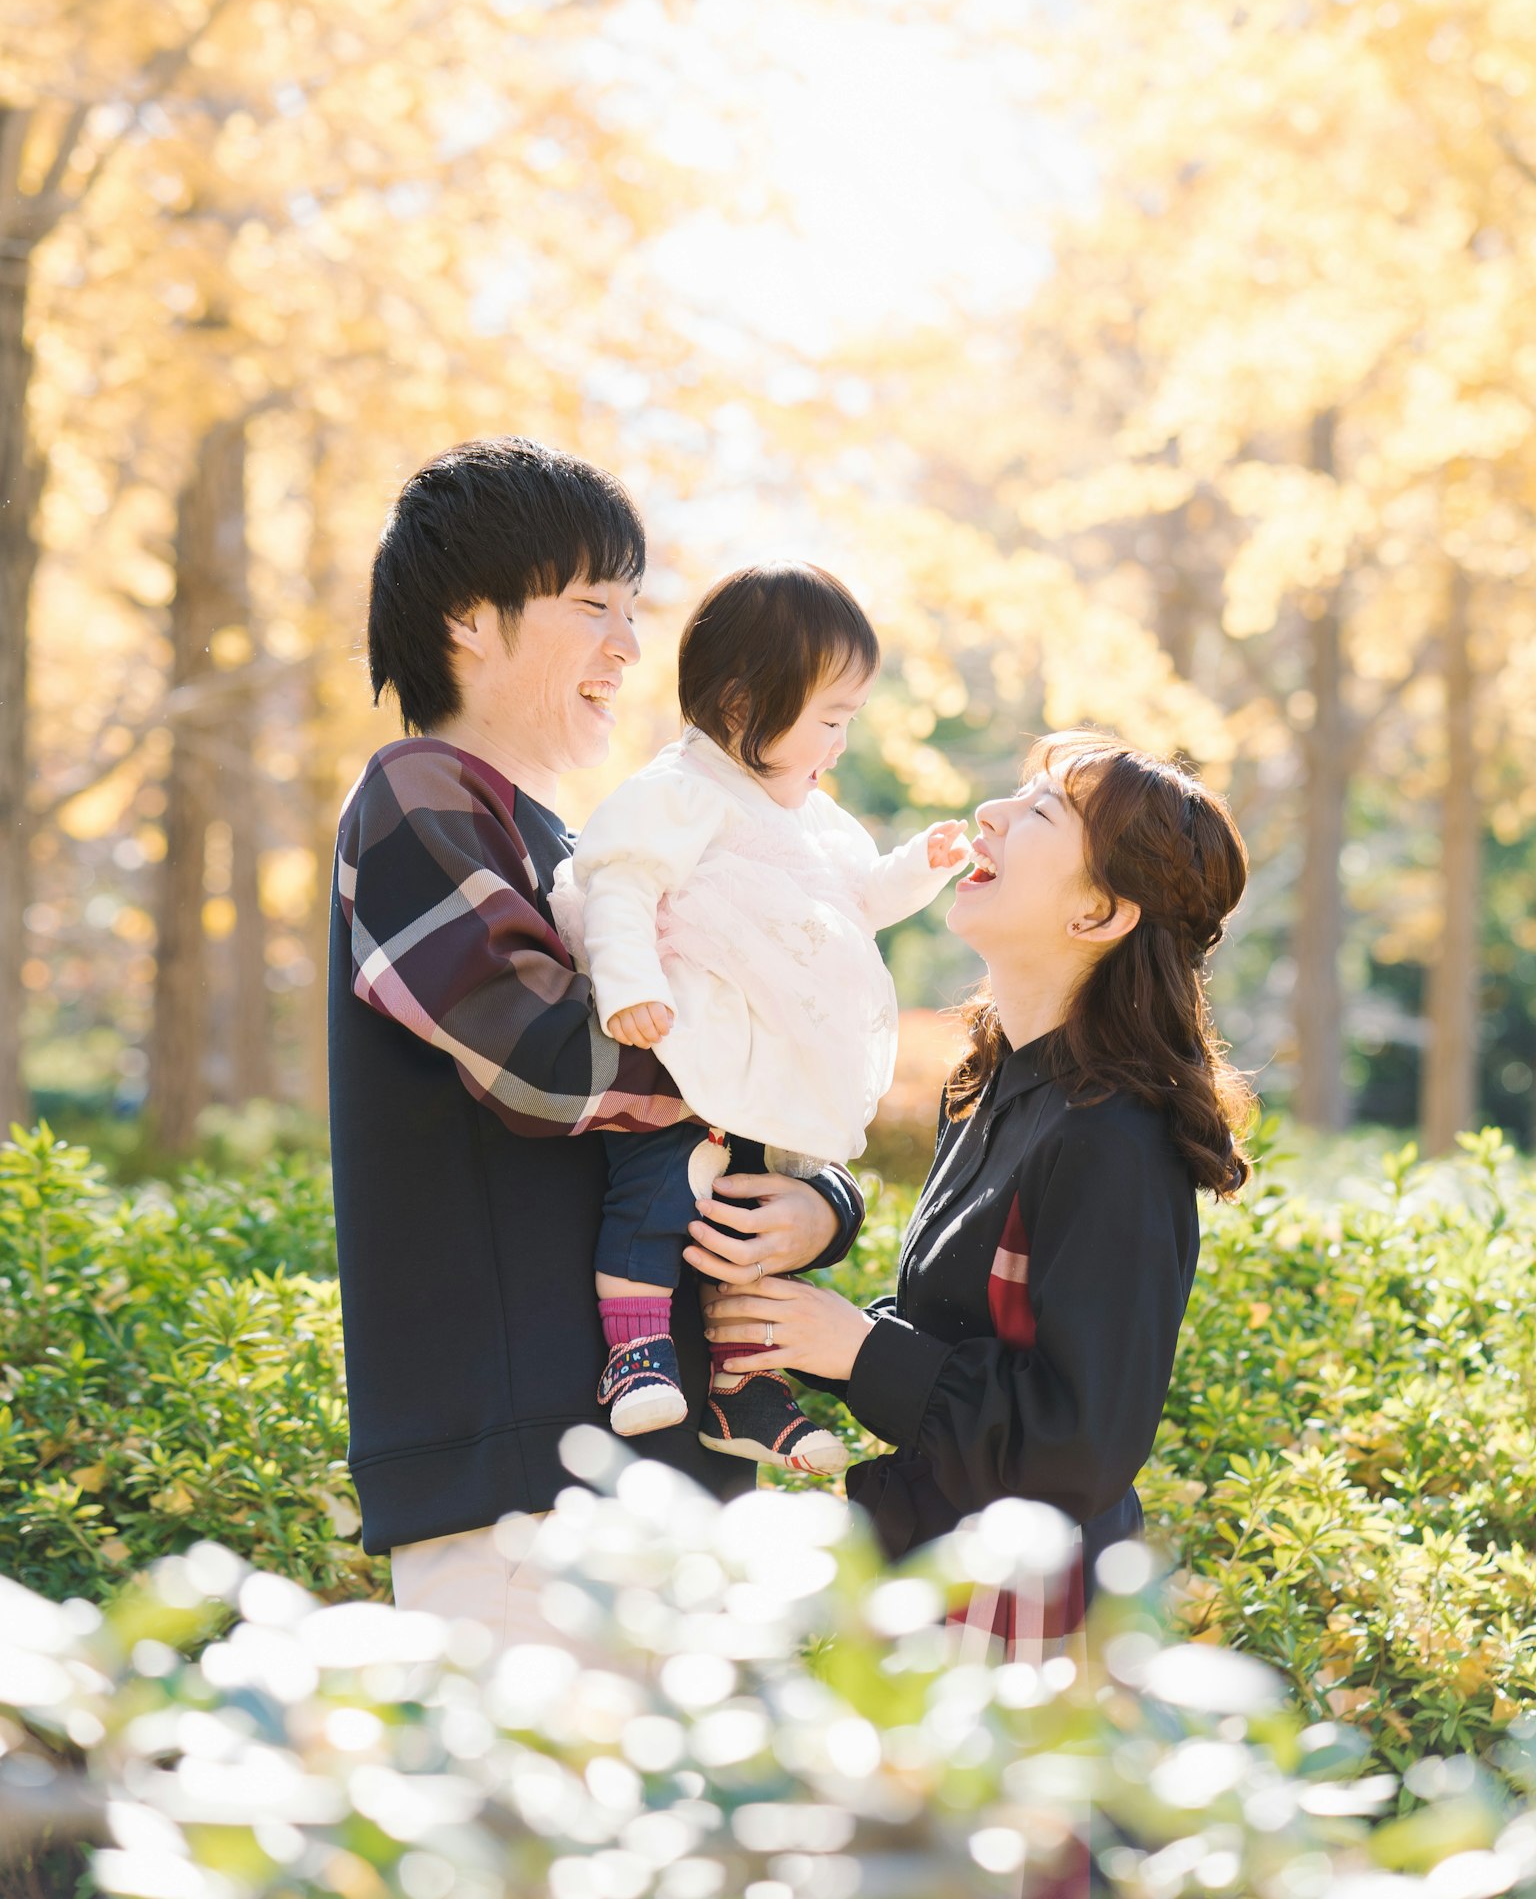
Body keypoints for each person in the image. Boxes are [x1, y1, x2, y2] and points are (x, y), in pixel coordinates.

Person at [328, 438, 866, 1643]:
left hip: (655, 1468)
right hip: (523, 1481)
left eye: (634, 608)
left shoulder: (583, 854)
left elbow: (744, 1060)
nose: (628, 646)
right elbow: (547, 1065)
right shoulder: (419, 798)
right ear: (470, 622)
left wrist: (817, 1205)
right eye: (592, 607)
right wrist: (760, 1073)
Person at [699, 728, 1253, 1627]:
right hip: (936, 1592)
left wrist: (858, 1349)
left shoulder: (1116, 1137)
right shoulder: (994, 1082)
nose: (989, 813)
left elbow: (1078, 1448)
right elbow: (959, 1340)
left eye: (1041, 812)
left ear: (1099, 915)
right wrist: (804, 1331)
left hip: (1023, 1631)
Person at [551, 562, 969, 1470]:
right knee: (665, 1184)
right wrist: (629, 985)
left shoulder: (812, 818)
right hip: (688, 1042)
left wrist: (920, 867)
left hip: (763, 1062)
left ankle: (744, 1384)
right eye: (830, 719)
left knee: (754, 1216)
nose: (840, 744)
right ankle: (634, 1349)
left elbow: (858, 900)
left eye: (849, 721)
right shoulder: (682, 791)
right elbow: (620, 883)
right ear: (743, 705)